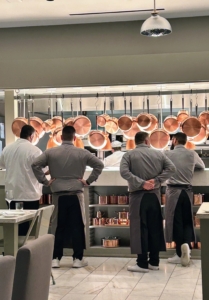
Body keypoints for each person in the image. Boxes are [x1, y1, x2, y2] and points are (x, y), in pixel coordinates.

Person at [31, 126, 104, 268]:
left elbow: (35, 165)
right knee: (77, 226)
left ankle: (56, 258)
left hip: (58, 194)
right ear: (75, 138)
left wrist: (44, 181)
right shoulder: (82, 152)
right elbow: (99, 165)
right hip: (76, 193)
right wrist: (88, 181)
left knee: (58, 226)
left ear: (61, 137)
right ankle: (78, 258)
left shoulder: (51, 152)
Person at [120, 132, 176, 273]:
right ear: (147, 141)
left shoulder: (128, 155)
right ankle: (154, 262)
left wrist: (141, 183)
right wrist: (156, 180)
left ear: (135, 141)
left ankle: (142, 263)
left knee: (140, 229)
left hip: (137, 196)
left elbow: (124, 172)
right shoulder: (159, 154)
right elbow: (172, 169)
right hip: (154, 196)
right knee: (155, 228)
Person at [165, 132, 205, 266]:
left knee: (176, 221)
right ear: (185, 141)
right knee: (187, 220)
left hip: (173, 191)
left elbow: (160, 169)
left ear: (174, 140)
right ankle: (187, 247)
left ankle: (178, 253)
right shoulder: (192, 154)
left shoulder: (167, 154)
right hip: (187, 191)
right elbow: (202, 167)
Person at [0, 125, 43, 235]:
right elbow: (42, 170)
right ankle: (24, 250)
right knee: (28, 230)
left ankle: (13, 249)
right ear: (32, 136)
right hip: (30, 195)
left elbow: (2, 165)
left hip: (11, 195)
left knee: (13, 227)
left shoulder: (7, 149)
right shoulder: (35, 151)